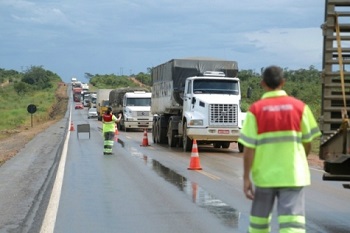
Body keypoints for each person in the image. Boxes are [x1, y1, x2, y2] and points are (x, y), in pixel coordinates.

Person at [238, 65, 321, 233]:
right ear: (283, 82)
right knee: (292, 224)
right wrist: (301, 159)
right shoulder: (300, 107)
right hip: (292, 175)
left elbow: (249, 149)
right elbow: (308, 141)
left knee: (258, 223)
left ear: (262, 83)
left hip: (265, 177)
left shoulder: (256, 110)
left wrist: (246, 177)